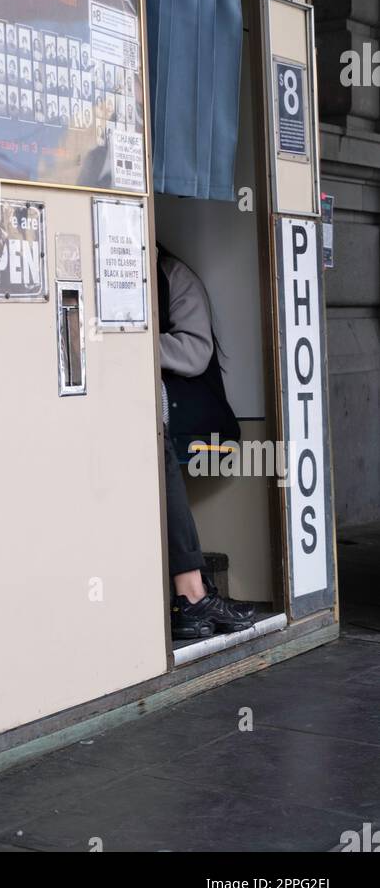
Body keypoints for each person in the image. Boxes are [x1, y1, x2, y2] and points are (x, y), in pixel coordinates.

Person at [157, 245, 255, 640]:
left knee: (156, 448)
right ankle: (191, 593)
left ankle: (192, 591)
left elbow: (196, 353)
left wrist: (140, 343)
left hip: (180, 405)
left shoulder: (172, 276)